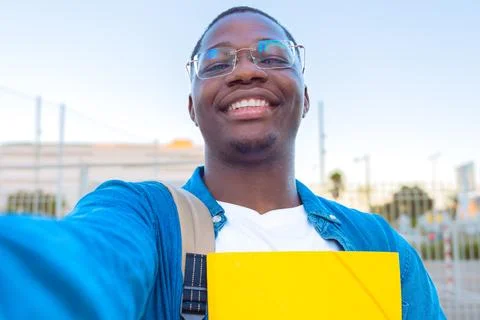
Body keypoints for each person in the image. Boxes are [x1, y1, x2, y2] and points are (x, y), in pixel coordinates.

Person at [0, 6, 445, 319]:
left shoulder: (378, 244)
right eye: (215, 63)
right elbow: (74, 270)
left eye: (272, 57)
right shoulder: (145, 218)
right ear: (192, 108)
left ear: (305, 99)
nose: (245, 71)